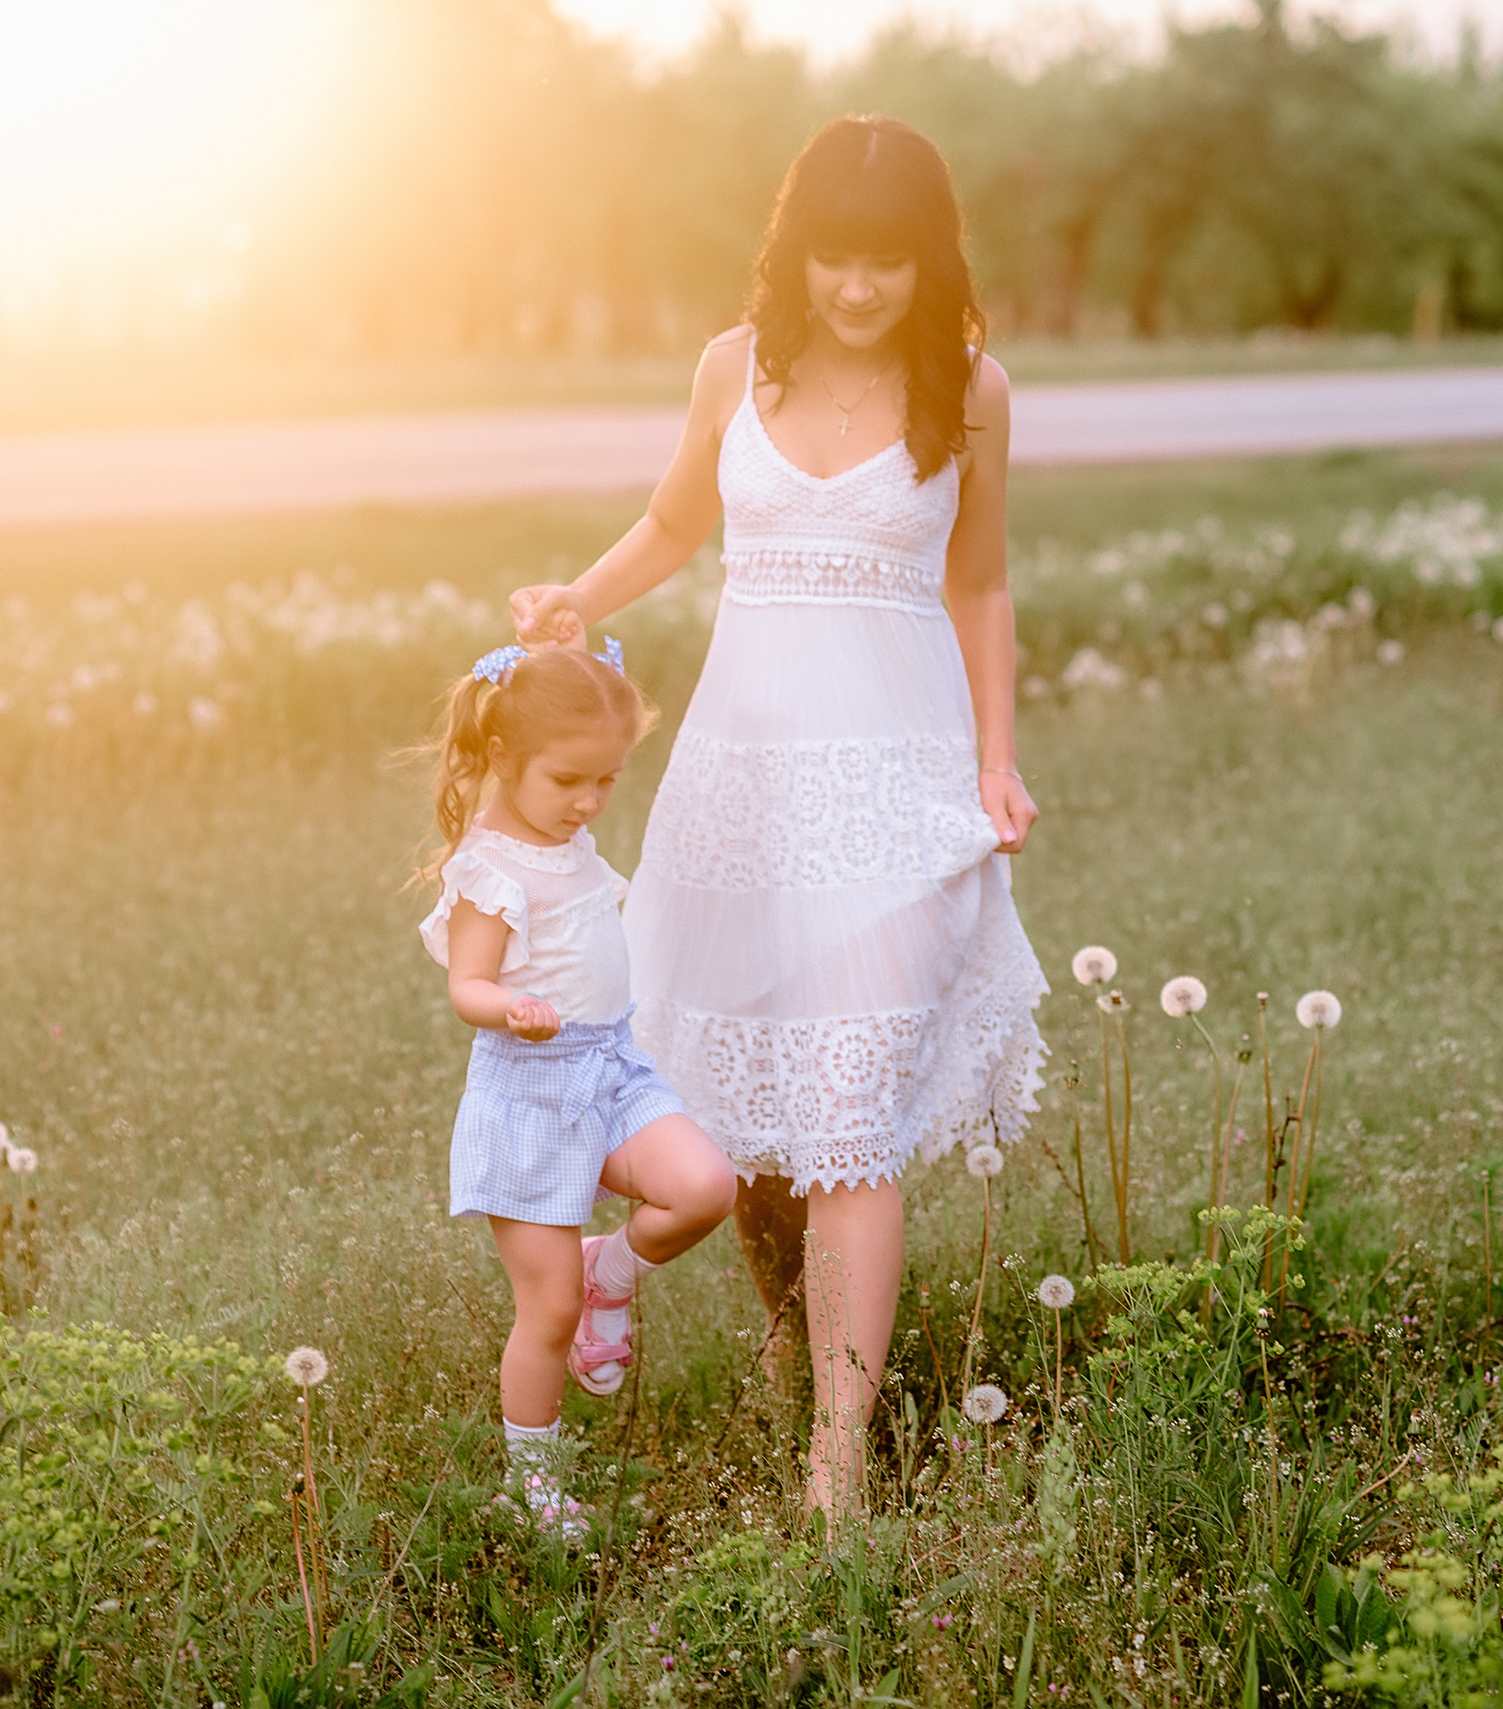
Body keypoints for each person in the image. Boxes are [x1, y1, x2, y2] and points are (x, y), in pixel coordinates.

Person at [509, 115, 1048, 1520]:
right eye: (833, 262)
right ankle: (755, 1326)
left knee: (852, 1121)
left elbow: (980, 587)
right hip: (738, 786)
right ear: (792, 253)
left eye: (887, 265)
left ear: (930, 263)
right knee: (739, 1124)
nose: (859, 291)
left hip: (895, 788)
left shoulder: (973, 390)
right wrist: (583, 599)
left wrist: (998, 760)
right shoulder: (732, 368)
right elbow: (676, 525)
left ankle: (837, 1467)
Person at [418, 640, 739, 1537]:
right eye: (569, 780)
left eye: (607, 779)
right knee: (547, 1308)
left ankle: (615, 1268)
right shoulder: (491, 869)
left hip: (614, 1067)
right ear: (501, 760)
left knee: (706, 1186)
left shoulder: (572, 837)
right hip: (531, 1090)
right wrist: (507, 1006)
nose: (591, 802)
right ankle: (537, 1482)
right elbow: (465, 985)